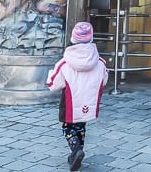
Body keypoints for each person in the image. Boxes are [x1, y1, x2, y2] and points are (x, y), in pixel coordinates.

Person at [46, 21, 109, 171]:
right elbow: (104, 80)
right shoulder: (100, 62)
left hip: (70, 102)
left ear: (73, 39)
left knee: (68, 127)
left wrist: (49, 77)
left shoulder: (65, 63)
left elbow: (53, 84)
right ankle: (77, 151)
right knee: (81, 126)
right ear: (91, 38)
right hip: (89, 102)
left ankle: (75, 149)